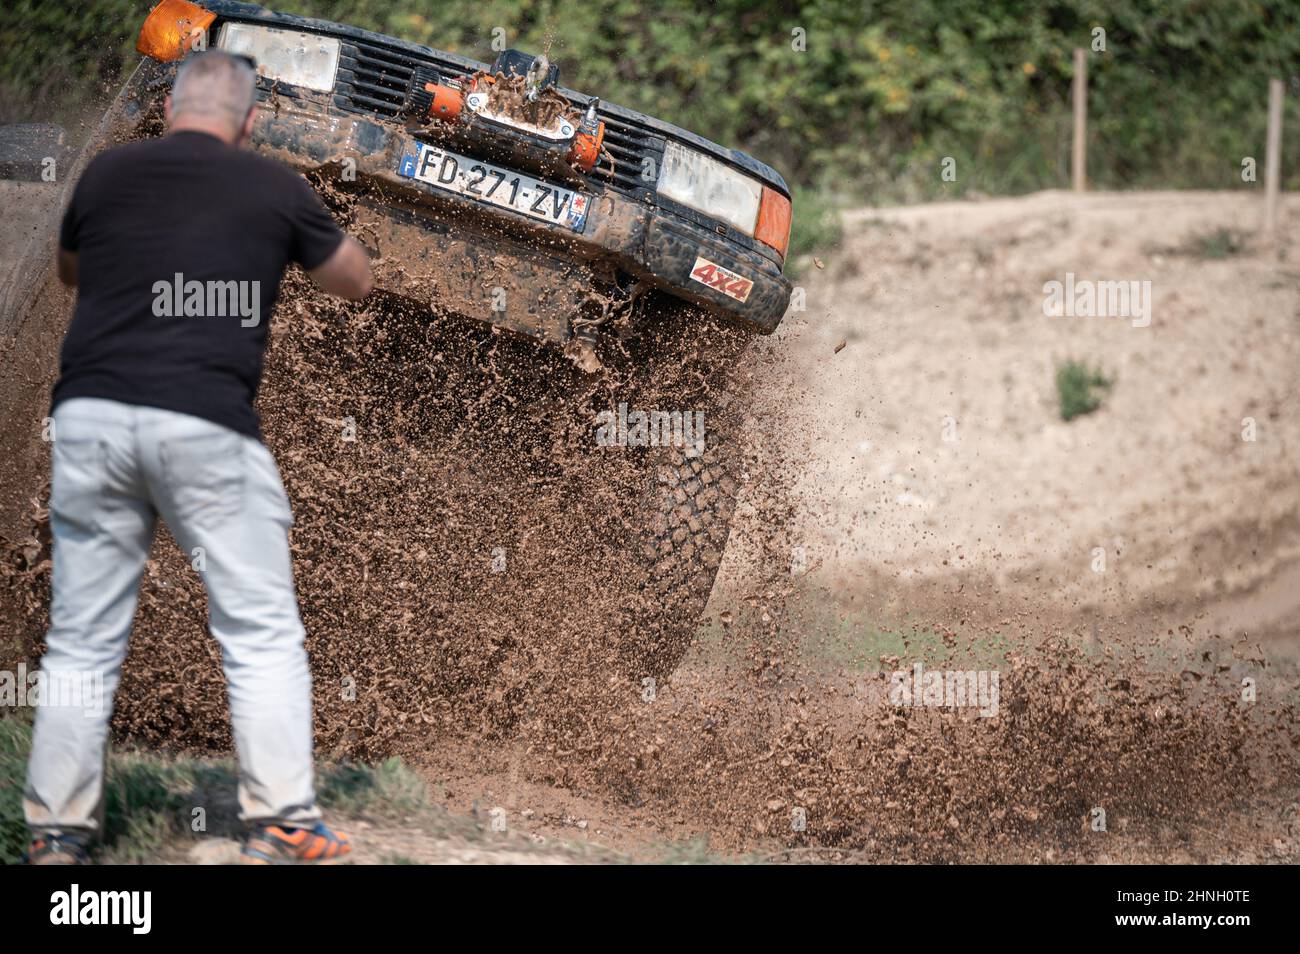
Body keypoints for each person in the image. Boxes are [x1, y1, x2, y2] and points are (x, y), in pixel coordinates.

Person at [23, 49, 373, 865]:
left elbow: (72, 270)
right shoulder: (274, 187)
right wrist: (313, 238)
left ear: (172, 105)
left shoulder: (108, 174)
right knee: (258, 632)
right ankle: (284, 820)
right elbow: (350, 279)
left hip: (91, 419)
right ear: (248, 122)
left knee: (79, 640)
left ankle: (56, 835)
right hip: (204, 429)